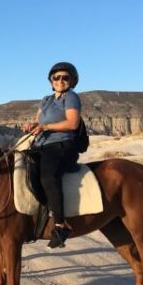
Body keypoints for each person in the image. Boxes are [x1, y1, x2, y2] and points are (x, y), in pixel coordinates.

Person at [22, 62, 82, 248]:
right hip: (40, 144)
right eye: (56, 77)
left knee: (48, 176)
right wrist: (32, 126)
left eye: (65, 77)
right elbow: (38, 120)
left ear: (72, 80)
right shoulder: (46, 100)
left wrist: (45, 127)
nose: (60, 80)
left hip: (62, 144)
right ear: (51, 80)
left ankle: (60, 225)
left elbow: (72, 123)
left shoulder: (71, 97)